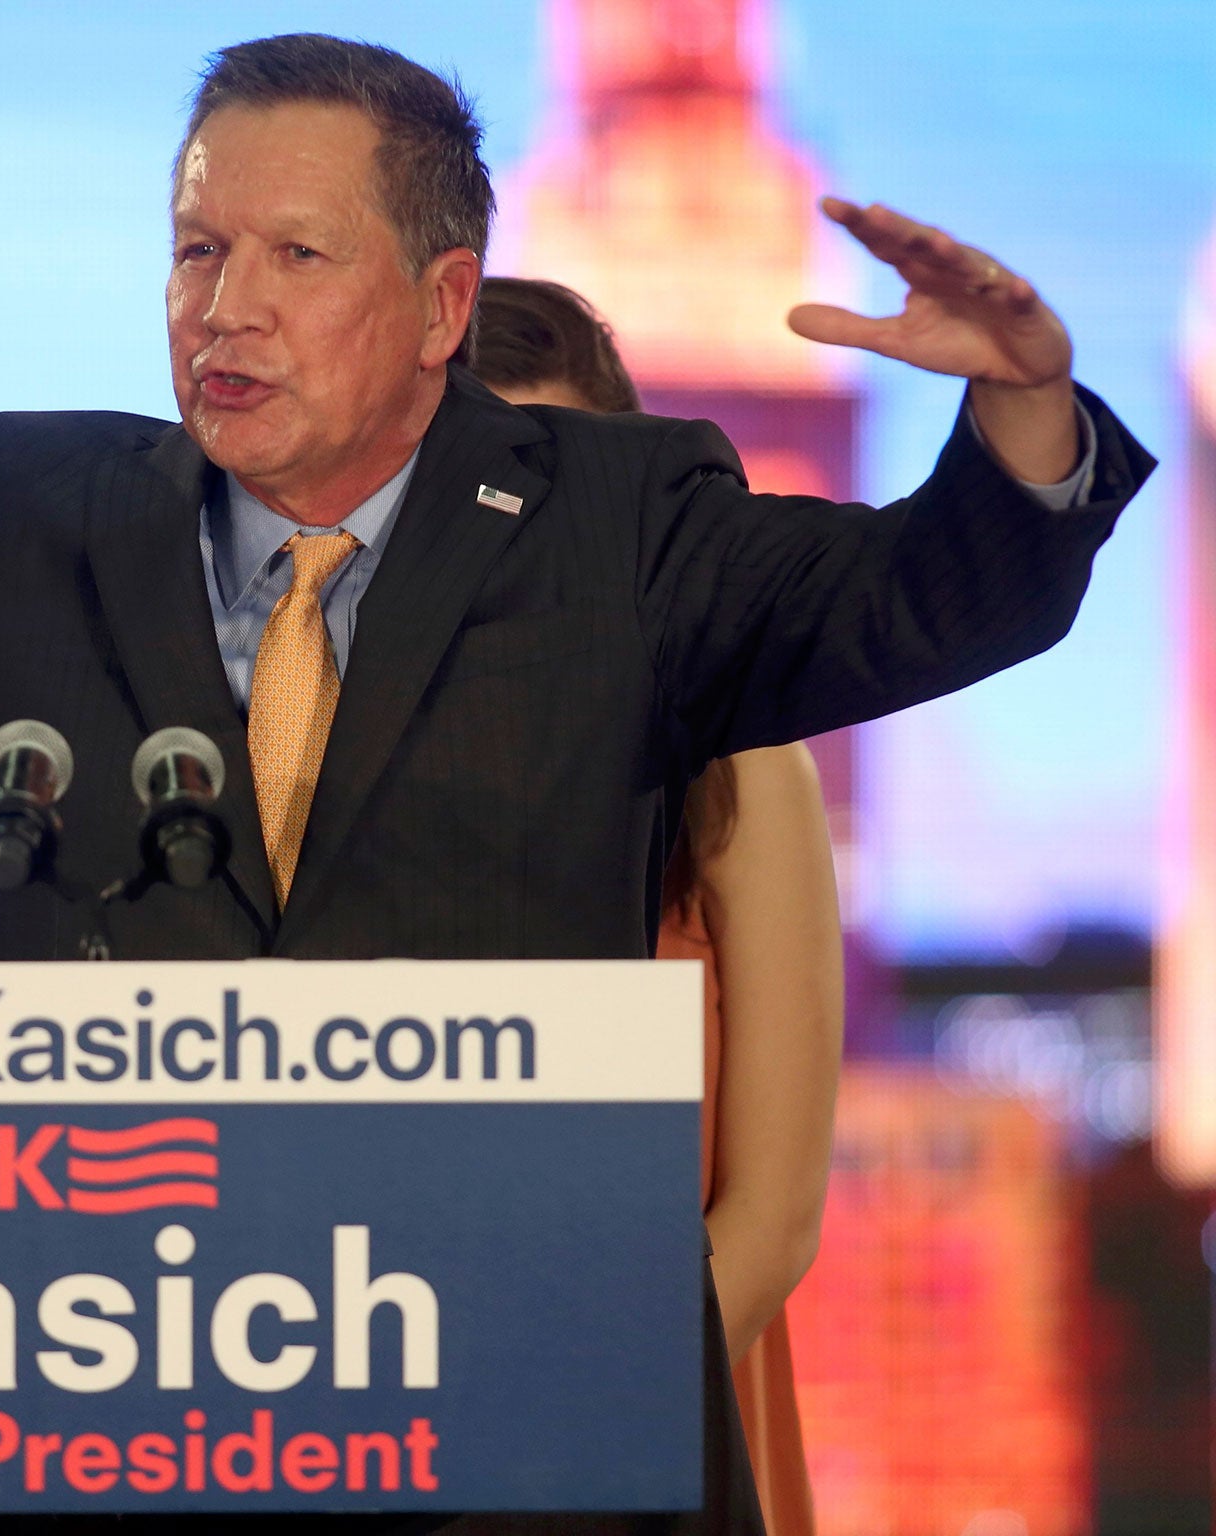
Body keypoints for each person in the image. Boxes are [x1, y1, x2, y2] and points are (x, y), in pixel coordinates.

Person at [0, 32, 1152, 1536]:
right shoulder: (16, 520)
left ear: (439, 305)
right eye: (196, 253)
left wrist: (1016, 424)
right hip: (99, 1427)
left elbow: (928, 600)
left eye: (291, 256)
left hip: (504, 1446)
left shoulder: (623, 527)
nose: (223, 308)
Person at [473, 276, 836, 1536]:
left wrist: (551, 1437)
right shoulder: (297, 764)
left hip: (651, 1435)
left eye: (553, 482)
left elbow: (773, 1213)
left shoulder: (737, 768)